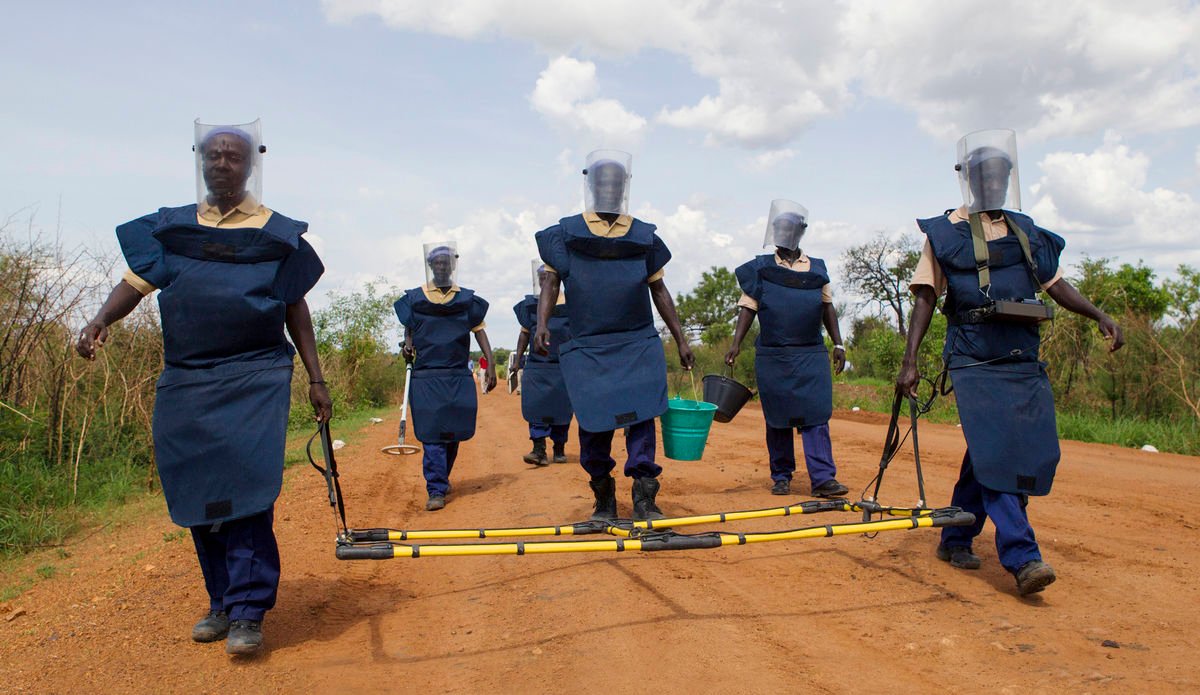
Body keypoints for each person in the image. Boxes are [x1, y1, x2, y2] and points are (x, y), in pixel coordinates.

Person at [75, 120, 329, 655]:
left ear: (251, 164)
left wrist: (316, 377)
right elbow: (135, 284)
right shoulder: (173, 231)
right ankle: (220, 601)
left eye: (233, 157)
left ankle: (248, 611)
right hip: (188, 378)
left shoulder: (275, 234)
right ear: (200, 161)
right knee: (200, 491)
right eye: (213, 155)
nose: (222, 164)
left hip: (256, 375)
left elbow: (295, 309)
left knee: (247, 491)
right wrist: (100, 321)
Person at [896, 128, 1124, 596]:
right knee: (999, 452)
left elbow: (1056, 286)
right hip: (975, 361)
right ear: (971, 180)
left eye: (1003, 176)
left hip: (1022, 357)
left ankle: (956, 535)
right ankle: (1023, 557)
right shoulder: (946, 232)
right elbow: (924, 298)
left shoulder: (1024, 230)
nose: (995, 184)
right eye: (987, 176)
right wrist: (910, 361)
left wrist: (1098, 314)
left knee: (998, 453)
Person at [535, 150, 695, 521]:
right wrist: (543, 324)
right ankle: (604, 498)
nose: (609, 187)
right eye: (603, 181)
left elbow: (660, 292)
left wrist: (681, 338)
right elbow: (551, 283)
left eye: (615, 182)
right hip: (590, 347)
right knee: (595, 423)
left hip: (637, 343)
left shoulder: (642, 236)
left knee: (642, 420)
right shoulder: (564, 236)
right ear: (591, 185)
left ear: (624, 187)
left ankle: (644, 498)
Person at [726, 200, 849, 498]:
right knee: (777, 416)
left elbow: (827, 307)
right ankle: (781, 476)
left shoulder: (816, 268)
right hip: (774, 355)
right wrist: (735, 344)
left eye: (788, 228)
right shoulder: (762, 269)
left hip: (810, 354)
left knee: (816, 414)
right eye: (779, 227)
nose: (783, 232)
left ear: (799, 231)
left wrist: (838, 343)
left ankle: (822, 479)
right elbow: (748, 307)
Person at [395, 242, 496, 511]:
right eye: (437, 263)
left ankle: (443, 476)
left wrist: (491, 364)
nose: (442, 267)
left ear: (452, 266)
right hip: (427, 376)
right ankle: (436, 488)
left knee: (452, 433)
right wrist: (407, 345)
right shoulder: (415, 299)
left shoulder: (466, 300)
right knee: (432, 435)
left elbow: (479, 332)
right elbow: (410, 330)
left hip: (457, 375)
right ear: (430, 266)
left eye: (446, 263)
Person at [513, 261, 573, 466]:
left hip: (563, 366)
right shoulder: (532, 306)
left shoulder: (571, 304)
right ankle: (538, 450)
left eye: (546, 277)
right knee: (535, 407)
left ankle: (559, 448)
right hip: (538, 365)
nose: (543, 280)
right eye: (540, 277)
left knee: (562, 409)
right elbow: (524, 334)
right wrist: (518, 360)